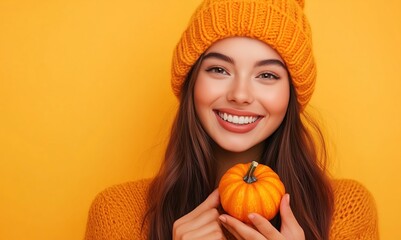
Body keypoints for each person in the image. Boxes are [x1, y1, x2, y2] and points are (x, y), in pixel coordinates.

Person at [85, 0, 379, 239]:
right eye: (219, 70)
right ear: (192, 82)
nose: (240, 94)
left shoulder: (346, 212)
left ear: (291, 93)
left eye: (267, 75)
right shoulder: (118, 214)